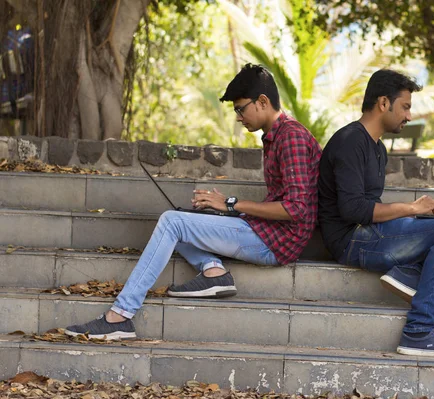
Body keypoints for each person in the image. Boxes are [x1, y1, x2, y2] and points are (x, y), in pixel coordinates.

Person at [65, 63, 322, 340]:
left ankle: (120, 316)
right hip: (266, 232)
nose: (238, 117)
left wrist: (232, 204)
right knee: (180, 218)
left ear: (262, 102)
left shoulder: (291, 136)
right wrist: (229, 211)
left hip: (277, 241)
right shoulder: (276, 137)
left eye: (240, 108)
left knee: (171, 223)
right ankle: (213, 271)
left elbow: (295, 209)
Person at [318, 69, 434, 358]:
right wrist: (414, 208)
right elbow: (354, 210)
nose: (408, 116)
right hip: (350, 240)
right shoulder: (350, 141)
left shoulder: (378, 149)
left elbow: (373, 208)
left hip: (368, 234)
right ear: (383, 103)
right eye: (405, 106)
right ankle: (419, 332)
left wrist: (426, 213)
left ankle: (408, 276)